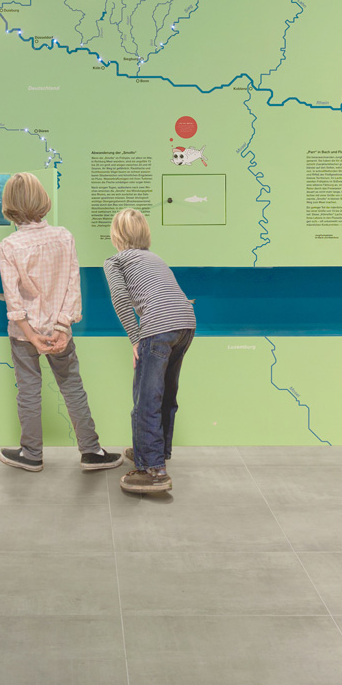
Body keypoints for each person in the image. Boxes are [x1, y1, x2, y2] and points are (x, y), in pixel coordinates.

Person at [0, 172, 122, 473]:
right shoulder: (64, 236)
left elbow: (14, 302)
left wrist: (31, 335)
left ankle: (31, 454)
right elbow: (72, 286)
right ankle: (91, 451)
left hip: (24, 335)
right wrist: (62, 327)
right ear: (43, 200)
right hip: (59, 332)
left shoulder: (9, 246)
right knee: (72, 387)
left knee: (28, 391)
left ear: (9, 205)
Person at [104, 208, 195, 494]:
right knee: (166, 393)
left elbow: (120, 300)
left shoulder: (115, 261)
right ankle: (153, 452)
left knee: (146, 398)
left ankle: (153, 470)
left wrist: (135, 339)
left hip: (158, 327)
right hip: (186, 324)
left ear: (116, 236)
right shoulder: (155, 258)